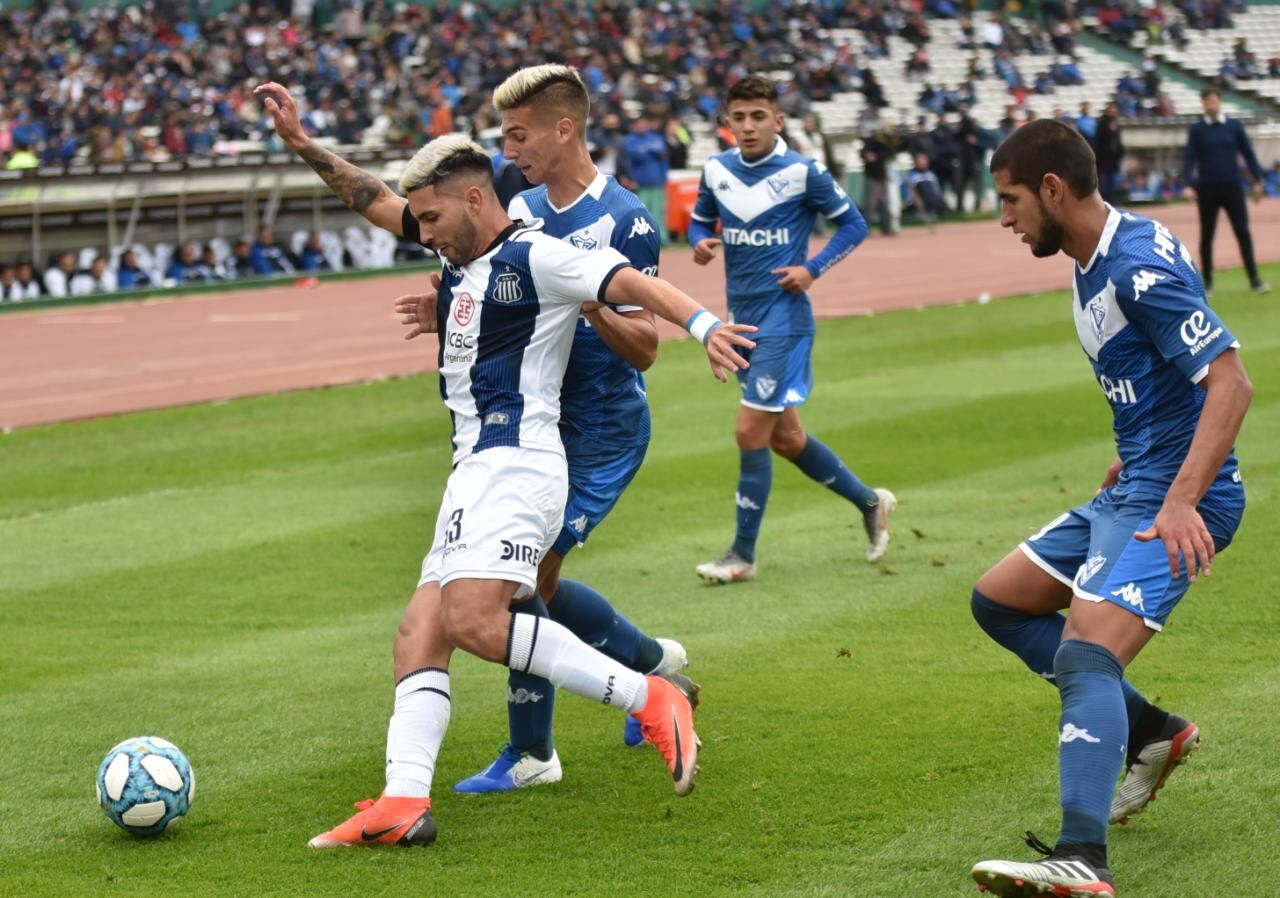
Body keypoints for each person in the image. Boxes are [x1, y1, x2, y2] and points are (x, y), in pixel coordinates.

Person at [300, 135, 754, 848]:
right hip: (471, 470)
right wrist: (303, 144)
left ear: (474, 199)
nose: (422, 233)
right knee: (420, 632)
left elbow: (631, 285)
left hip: (518, 466)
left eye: (431, 218)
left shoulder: (536, 254)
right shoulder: (459, 255)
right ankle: (403, 800)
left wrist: (702, 326)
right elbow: (373, 199)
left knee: (478, 623)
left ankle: (650, 696)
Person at [257, 66, 694, 794]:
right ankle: (647, 670)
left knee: (521, 589)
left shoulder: (625, 218)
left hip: (598, 427)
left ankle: (543, 748)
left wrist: (590, 305)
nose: (507, 147)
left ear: (565, 129)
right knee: (520, 586)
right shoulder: (511, 204)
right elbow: (404, 217)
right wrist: (304, 144)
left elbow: (646, 345)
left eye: (518, 134)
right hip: (529, 416)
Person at [970, 120, 1252, 897]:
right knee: (999, 601)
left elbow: (1231, 383)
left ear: (1053, 190)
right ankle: (1153, 731)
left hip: (1177, 499)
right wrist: (1139, 442)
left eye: (1012, 199)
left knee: (1085, 651)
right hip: (1135, 482)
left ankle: (1081, 858)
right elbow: (1157, 372)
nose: (1005, 217)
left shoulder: (1133, 267)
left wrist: (1183, 497)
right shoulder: (1094, 255)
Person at [687, 74, 895, 584]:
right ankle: (870, 503)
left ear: (778, 120)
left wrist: (812, 269)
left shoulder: (803, 172)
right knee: (787, 438)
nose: (749, 126)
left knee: (749, 430)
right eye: (740, 117)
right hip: (741, 321)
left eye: (759, 116)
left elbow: (854, 224)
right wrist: (700, 242)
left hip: (784, 320)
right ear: (727, 123)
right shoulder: (715, 171)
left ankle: (742, 553)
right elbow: (698, 222)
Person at [1182, 88, 1269, 295]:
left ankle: (1255, 280)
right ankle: (1208, 284)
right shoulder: (1197, 129)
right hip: (1207, 188)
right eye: (1207, 101)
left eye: (1214, 100)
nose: (1210, 104)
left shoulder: (1234, 126)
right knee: (1207, 236)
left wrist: (1258, 180)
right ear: (1203, 104)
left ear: (1220, 102)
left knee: (1243, 232)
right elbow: (1189, 158)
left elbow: (1248, 153)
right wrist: (1188, 184)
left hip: (1233, 187)